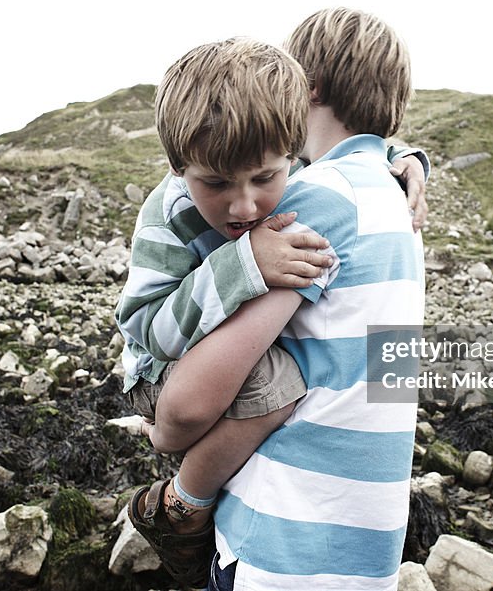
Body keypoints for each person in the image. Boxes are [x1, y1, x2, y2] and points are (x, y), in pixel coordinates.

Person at [116, 36, 428, 588]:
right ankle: (182, 508)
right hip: (158, 368)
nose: (245, 207)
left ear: (299, 100)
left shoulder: (317, 195)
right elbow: (150, 331)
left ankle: (180, 505)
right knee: (279, 381)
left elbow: (321, 164)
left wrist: (400, 156)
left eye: (266, 179)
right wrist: (246, 261)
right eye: (216, 183)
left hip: (284, 539)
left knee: (281, 380)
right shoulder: (379, 197)